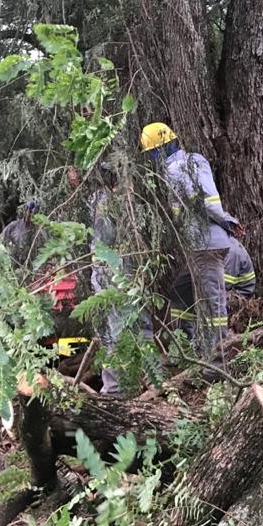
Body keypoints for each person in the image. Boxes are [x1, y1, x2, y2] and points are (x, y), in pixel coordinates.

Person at [141, 122, 243, 374]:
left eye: (152, 153)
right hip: (199, 245)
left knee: (212, 304)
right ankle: (189, 351)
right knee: (182, 291)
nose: (152, 159)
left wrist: (227, 221)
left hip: (207, 243)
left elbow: (207, 202)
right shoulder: (177, 167)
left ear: (161, 149)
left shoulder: (183, 166)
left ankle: (216, 367)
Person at [88, 160, 153, 395]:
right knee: (117, 331)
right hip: (116, 276)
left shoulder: (109, 200)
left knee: (128, 329)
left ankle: (141, 383)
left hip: (122, 275)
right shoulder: (108, 202)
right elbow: (108, 237)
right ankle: (120, 388)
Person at [1, 200, 40, 266]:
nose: (28, 214)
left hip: (31, 265)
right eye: (27, 210)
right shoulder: (13, 226)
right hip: (14, 264)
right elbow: (1, 240)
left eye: (31, 212)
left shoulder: (38, 230)